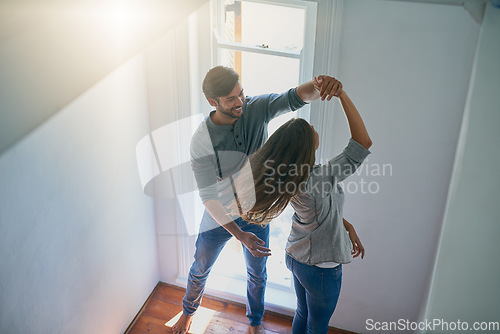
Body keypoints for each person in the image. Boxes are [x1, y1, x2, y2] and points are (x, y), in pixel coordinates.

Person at [172, 66, 341, 334]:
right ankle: (187, 312)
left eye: (241, 94)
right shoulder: (201, 141)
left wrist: (320, 85)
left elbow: (294, 97)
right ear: (212, 102)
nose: (240, 102)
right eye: (230, 99)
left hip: (258, 213)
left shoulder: (256, 108)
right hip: (220, 216)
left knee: (258, 274)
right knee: (200, 266)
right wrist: (239, 234)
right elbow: (207, 196)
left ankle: (255, 322)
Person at [239, 78, 372, 333]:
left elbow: (318, 213)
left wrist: (348, 226)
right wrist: (342, 95)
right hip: (321, 269)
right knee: (318, 325)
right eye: (309, 128)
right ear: (306, 146)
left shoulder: (290, 175)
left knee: (303, 314)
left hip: (297, 258)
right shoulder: (320, 177)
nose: (313, 127)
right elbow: (362, 142)